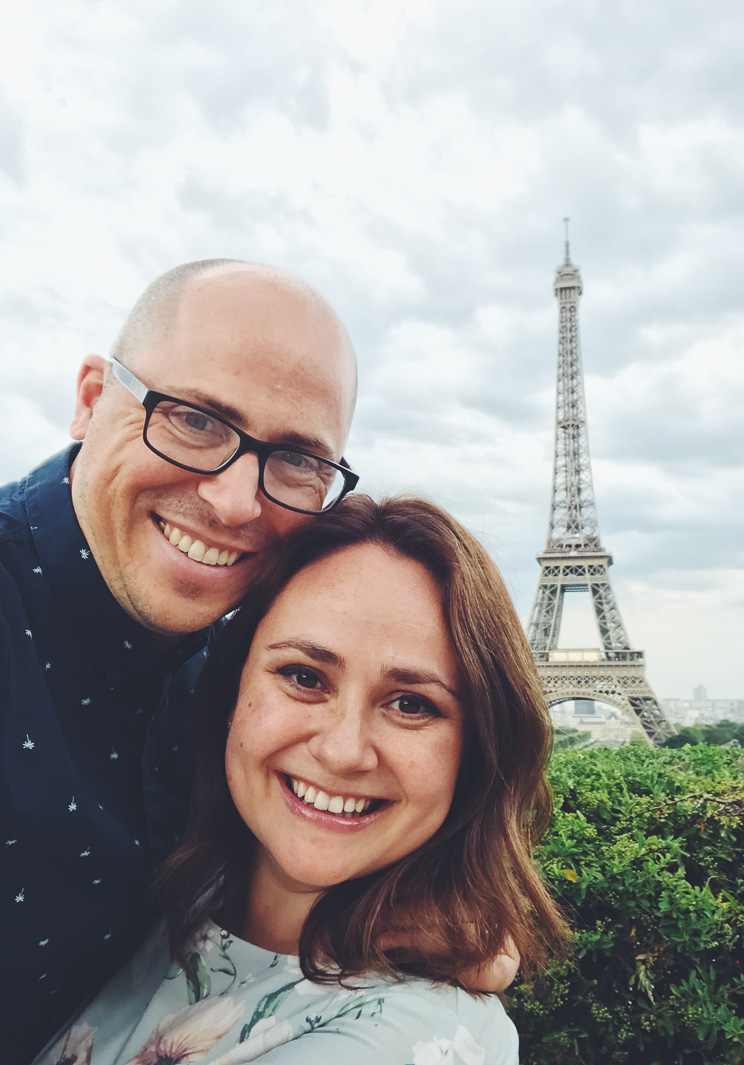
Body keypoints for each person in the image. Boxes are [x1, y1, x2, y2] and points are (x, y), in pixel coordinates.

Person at [36, 496, 570, 1065]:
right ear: (231, 695)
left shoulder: (412, 1034)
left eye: (412, 704)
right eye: (303, 676)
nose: (342, 752)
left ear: (479, 752)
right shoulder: (162, 895)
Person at [0, 260, 359, 1063]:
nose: (235, 502)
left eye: (298, 458)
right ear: (92, 399)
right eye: (193, 418)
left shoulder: (244, 675)